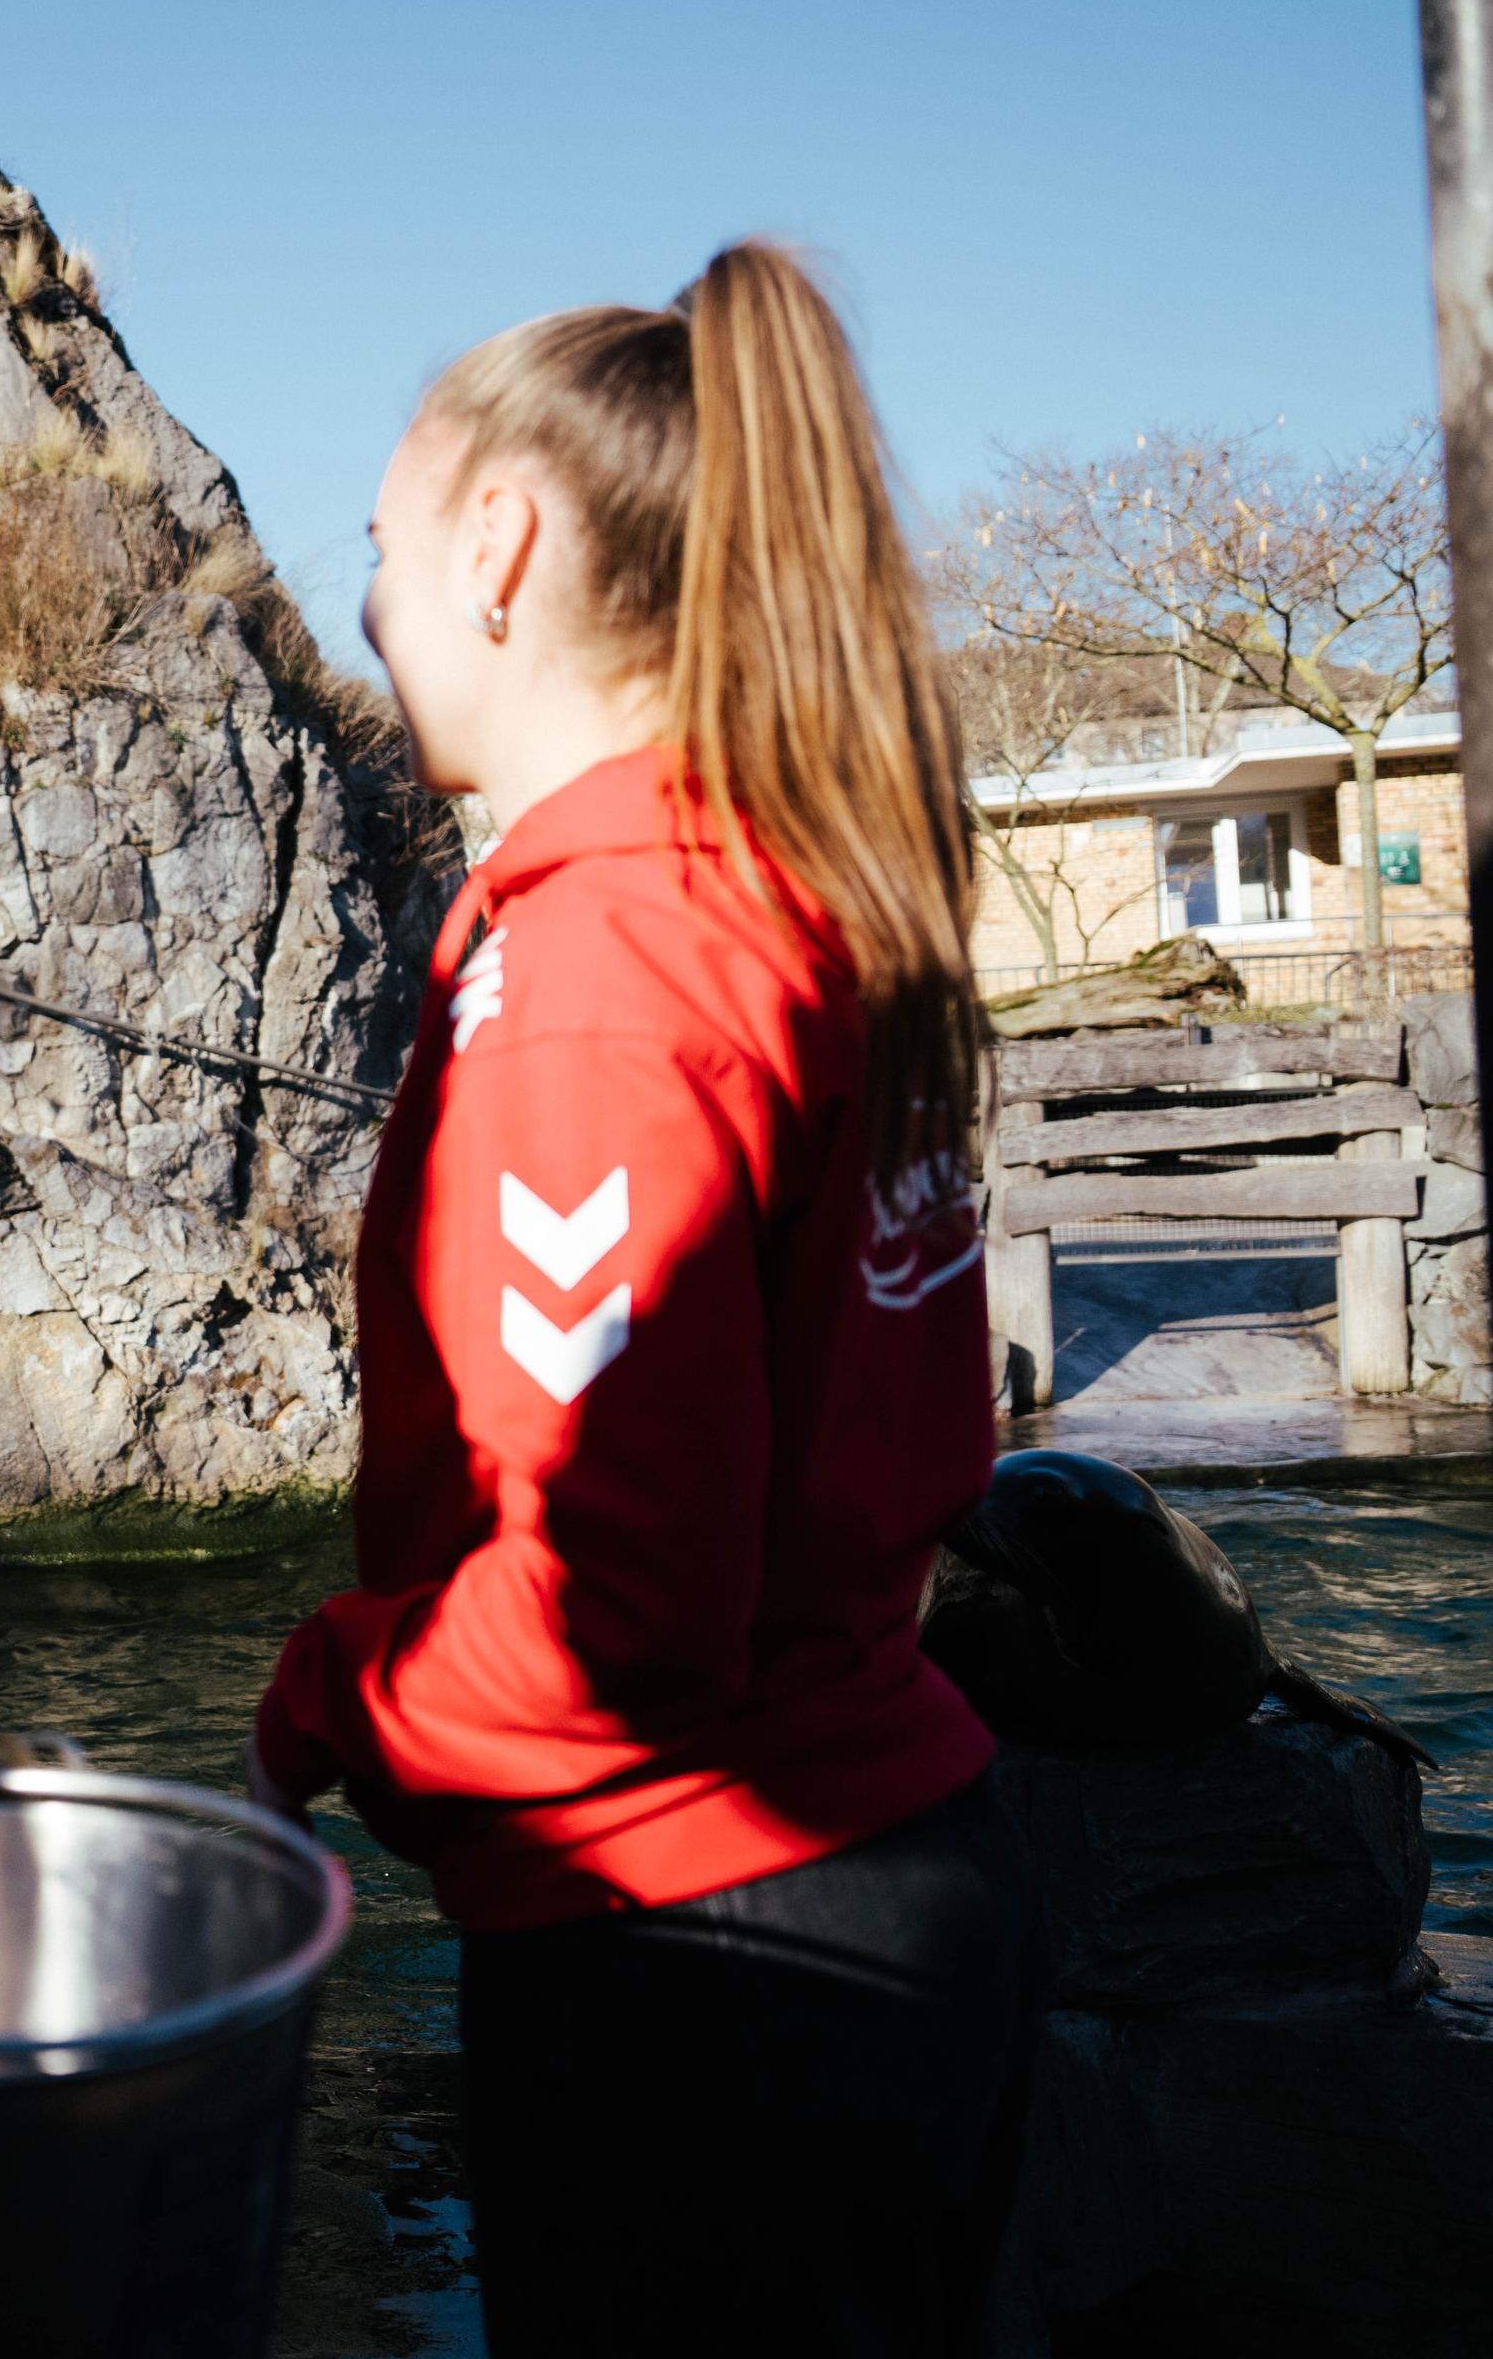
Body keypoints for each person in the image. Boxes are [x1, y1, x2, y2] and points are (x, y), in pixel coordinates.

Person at [243, 246, 1034, 2356]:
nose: (365, 602)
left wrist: (322, 1703)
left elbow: (619, 1613)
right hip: (907, 1877)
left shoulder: (599, 968)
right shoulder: (801, 897)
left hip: (713, 1970)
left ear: (500, 546)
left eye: (383, 545)